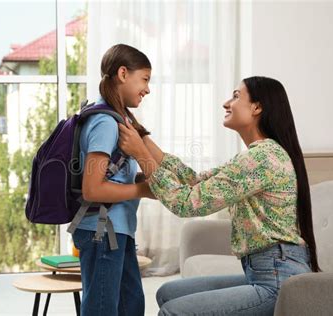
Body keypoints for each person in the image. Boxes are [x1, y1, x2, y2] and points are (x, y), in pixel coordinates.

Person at [118, 76, 320, 315]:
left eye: (235, 96)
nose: (226, 103)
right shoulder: (258, 154)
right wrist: (142, 137)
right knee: (167, 293)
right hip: (264, 271)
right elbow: (193, 180)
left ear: (257, 107)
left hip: (277, 281)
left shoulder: (262, 158)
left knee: (174, 311)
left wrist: (141, 155)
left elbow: (188, 203)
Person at [72, 44, 154, 316]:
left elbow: (119, 173)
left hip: (117, 230)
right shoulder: (105, 122)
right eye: (144, 79)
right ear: (122, 73)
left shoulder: (119, 119)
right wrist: (141, 189)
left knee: (131, 306)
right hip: (102, 232)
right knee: (102, 309)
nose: (147, 89)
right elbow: (93, 188)